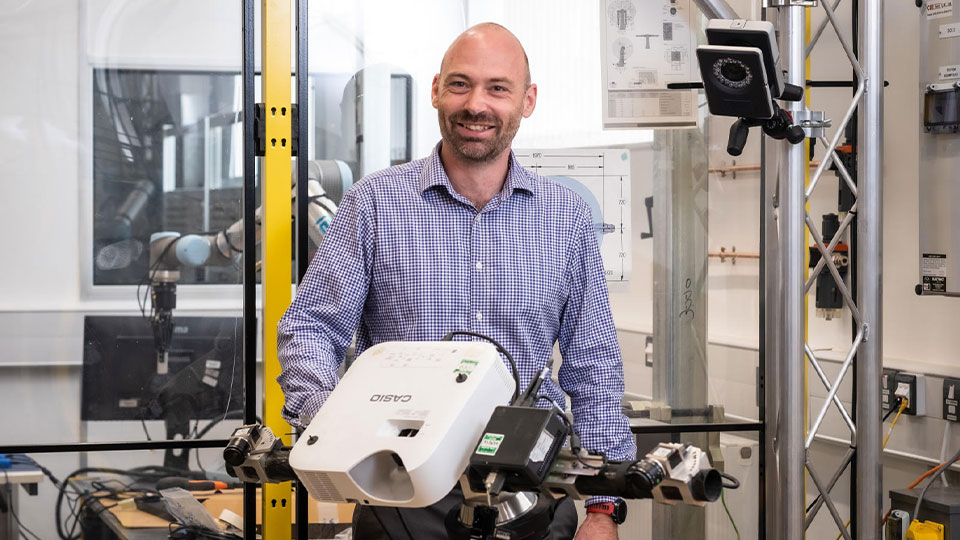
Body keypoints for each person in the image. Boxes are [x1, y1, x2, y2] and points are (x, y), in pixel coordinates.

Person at [277, 22, 636, 540]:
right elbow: (310, 327)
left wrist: (603, 508)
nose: (477, 105)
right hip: (399, 491)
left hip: (530, 492)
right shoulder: (375, 204)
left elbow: (593, 362)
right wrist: (335, 430)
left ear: (527, 100)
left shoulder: (566, 216)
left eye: (498, 88)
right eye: (461, 84)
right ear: (436, 91)